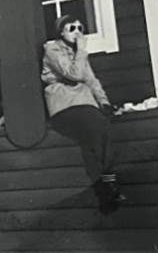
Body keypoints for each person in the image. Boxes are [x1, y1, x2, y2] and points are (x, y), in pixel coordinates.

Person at [41, 14, 123, 213]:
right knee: (97, 129)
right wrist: (82, 50)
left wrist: (104, 102)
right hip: (64, 104)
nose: (77, 32)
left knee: (95, 137)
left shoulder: (78, 52)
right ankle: (107, 184)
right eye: (72, 28)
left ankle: (106, 188)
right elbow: (74, 74)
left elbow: (91, 79)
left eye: (80, 27)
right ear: (61, 32)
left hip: (85, 104)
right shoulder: (52, 49)